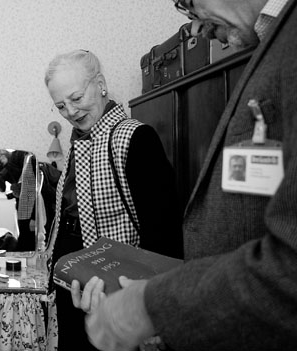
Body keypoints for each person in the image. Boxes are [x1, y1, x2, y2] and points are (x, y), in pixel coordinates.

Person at [72, 0, 297, 350]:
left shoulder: (132, 136)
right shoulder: (274, 43)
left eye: (190, 5)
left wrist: (151, 304)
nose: (193, 30)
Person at [43, 49, 183, 350]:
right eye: (61, 106)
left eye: (76, 98)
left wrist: (148, 299)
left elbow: (162, 234)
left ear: (101, 84)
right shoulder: (81, 143)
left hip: (112, 284)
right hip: (75, 281)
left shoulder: (135, 137)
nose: (71, 112)